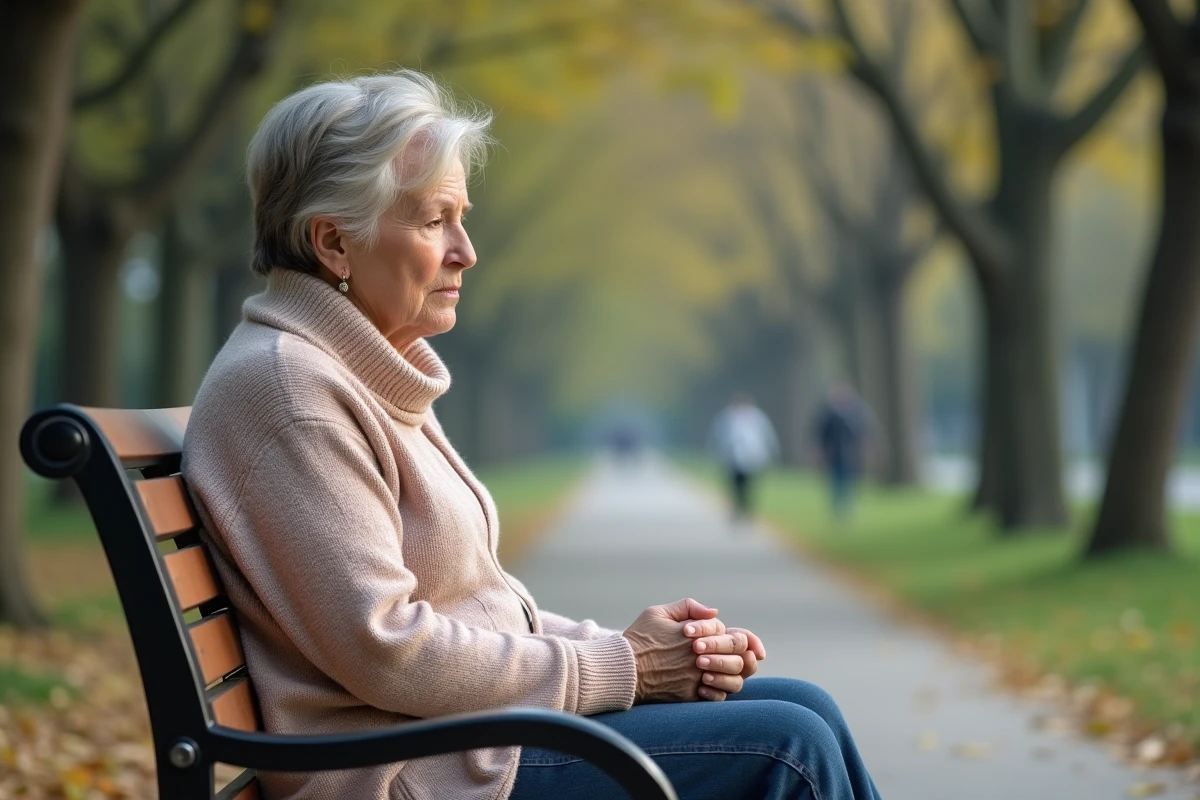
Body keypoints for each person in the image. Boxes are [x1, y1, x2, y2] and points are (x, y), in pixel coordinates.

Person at [182, 70, 881, 800]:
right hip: (405, 770)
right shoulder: (294, 391)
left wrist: (631, 651)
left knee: (807, 709)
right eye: (433, 220)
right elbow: (388, 648)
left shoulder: (353, 373)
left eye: (463, 216)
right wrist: (626, 667)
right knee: (789, 748)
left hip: (456, 737)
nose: (466, 250)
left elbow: (472, 609)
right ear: (333, 243)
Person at [708, 393, 780, 520]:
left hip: (753, 458)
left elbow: (767, 435)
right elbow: (718, 435)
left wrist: (773, 451)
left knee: (749, 484)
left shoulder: (757, 417)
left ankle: (745, 507)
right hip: (732, 458)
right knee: (735, 485)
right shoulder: (727, 417)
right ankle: (738, 507)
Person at [814, 383, 872, 519]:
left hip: (850, 455)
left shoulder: (855, 414)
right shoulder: (828, 415)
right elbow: (821, 436)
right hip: (834, 456)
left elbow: (862, 433)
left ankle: (846, 508)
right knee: (836, 482)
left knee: (848, 482)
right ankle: (838, 508)